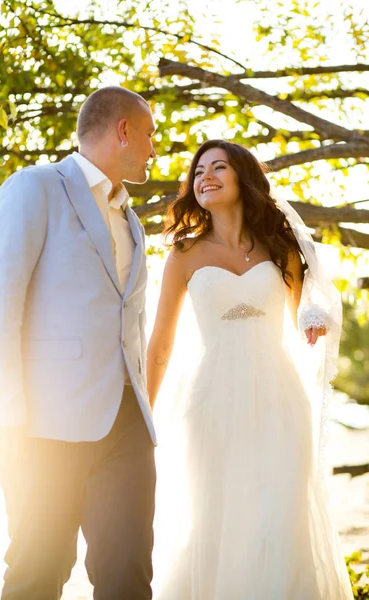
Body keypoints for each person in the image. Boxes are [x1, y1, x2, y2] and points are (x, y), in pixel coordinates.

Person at [0, 86, 157, 600]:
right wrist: (5, 421)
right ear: (123, 130)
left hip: (126, 427)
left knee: (128, 577)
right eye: (149, 135)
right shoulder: (34, 187)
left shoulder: (131, 218)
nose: (154, 149)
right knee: (39, 569)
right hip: (41, 426)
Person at [147, 140, 353, 599]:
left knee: (278, 516)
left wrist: (313, 320)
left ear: (243, 178)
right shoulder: (183, 254)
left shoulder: (282, 250)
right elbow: (160, 343)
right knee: (217, 515)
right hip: (211, 402)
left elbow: (307, 314)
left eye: (218, 167)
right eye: (198, 171)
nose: (206, 177)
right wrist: (145, 413)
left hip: (279, 400)